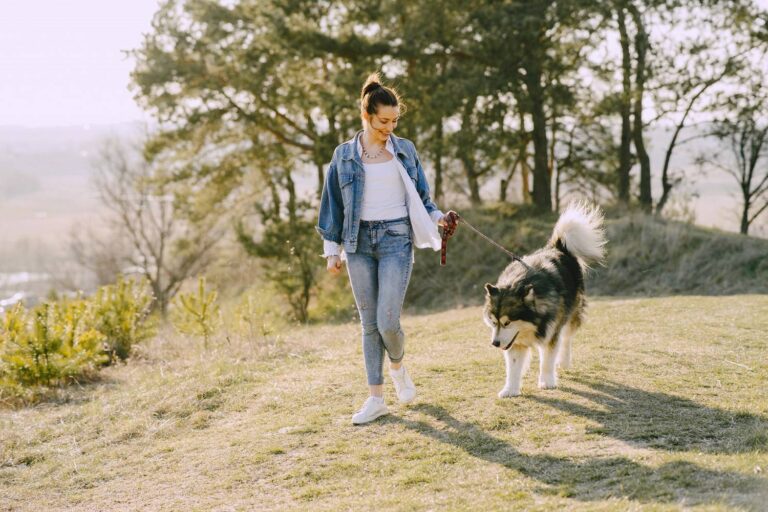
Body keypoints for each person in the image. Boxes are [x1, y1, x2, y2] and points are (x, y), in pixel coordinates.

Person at [316, 72, 457, 425]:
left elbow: (423, 197)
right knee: (369, 325)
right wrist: (332, 250)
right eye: (383, 121)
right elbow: (332, 205)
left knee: (388, 322)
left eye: (394, 121)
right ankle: (376, 399)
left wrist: (439, 218)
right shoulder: (343, 156)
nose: (389, 128)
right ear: (366, 116)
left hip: (396, 240)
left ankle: (398, 368)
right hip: (358, 244)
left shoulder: (404, 149)